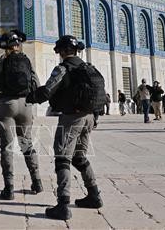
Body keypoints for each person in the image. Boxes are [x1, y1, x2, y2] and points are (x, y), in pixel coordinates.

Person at [26, 35, 104, 220]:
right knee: (79, 156)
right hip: (90, 117)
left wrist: (29, 97)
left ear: (61, 51)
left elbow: (47, 91)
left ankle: (62, 205)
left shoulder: (62, 68)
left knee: (62, 158)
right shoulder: (88, 67)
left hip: (72, 118)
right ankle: (94, 195)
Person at [0, 30, 41, 200]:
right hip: (25, 106)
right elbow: (37, 83)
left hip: (6, 105)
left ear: (5, 47)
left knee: (6, 148)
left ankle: (9, 189)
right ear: (18, 45)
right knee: (27, 144)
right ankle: (37, 182)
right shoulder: (26, 60)